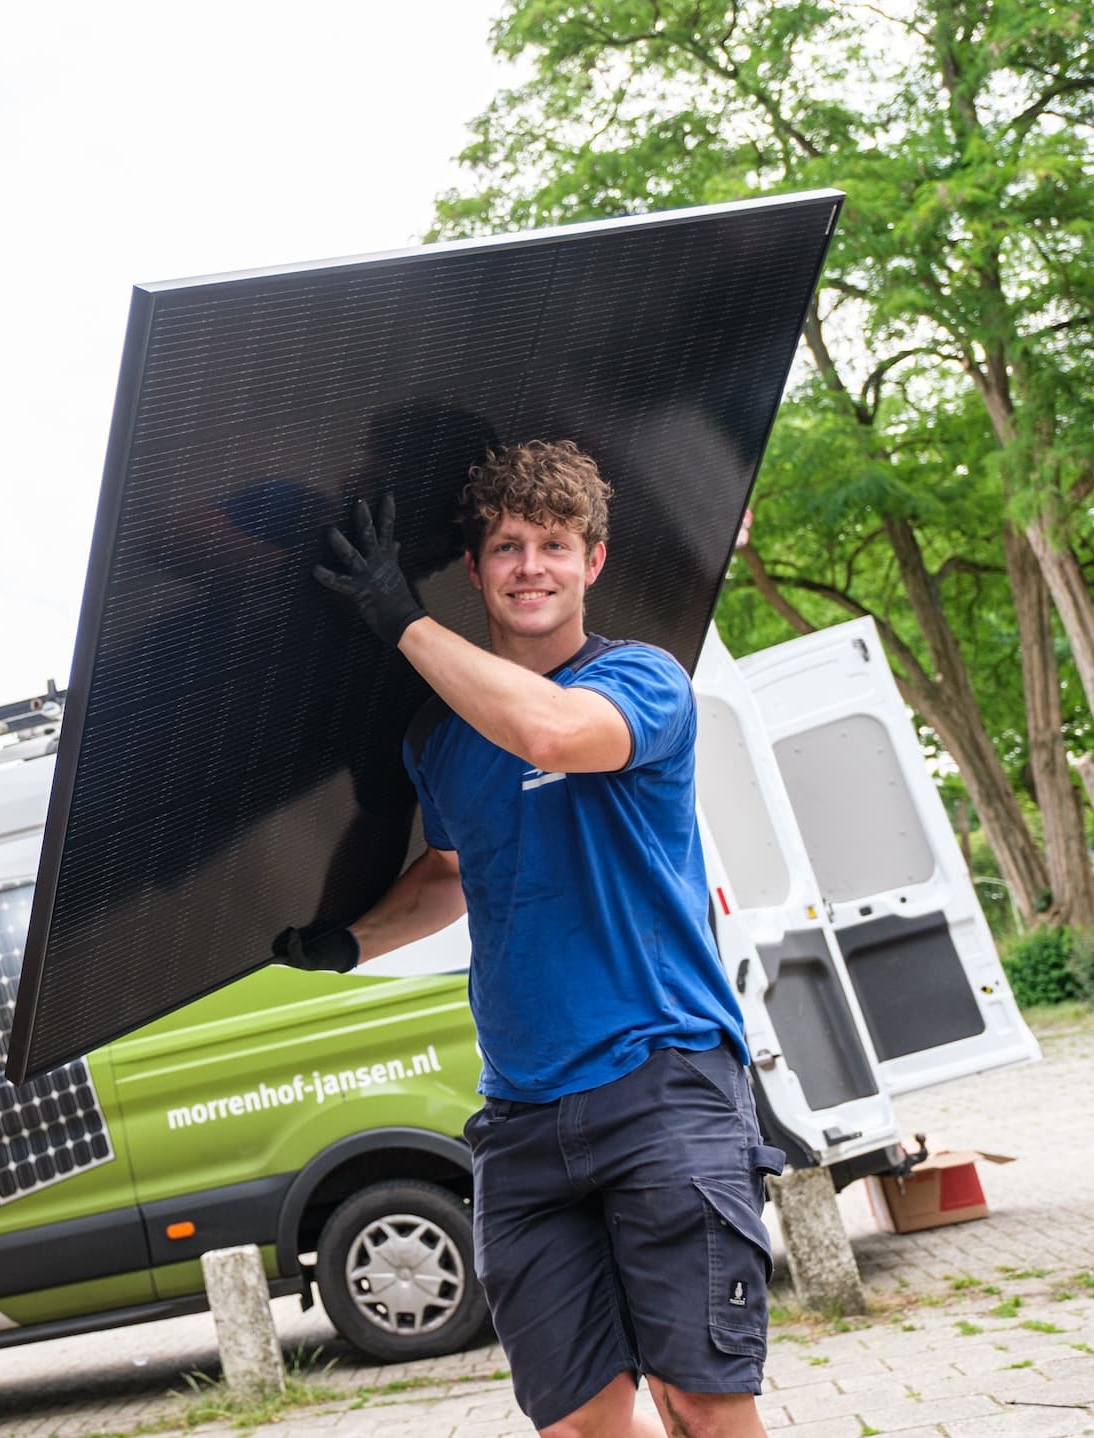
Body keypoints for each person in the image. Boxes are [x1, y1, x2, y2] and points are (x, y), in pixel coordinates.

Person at [276, 440, 781, 1438]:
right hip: (521, 1122)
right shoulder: (437, 740)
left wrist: (404, 622)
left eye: (555, 544)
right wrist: (346, 944)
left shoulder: (644, 682)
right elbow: (455, 873)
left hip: (662, 1087)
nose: (530, 567)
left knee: (702, 1402)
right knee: (581, 1423)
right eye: (506, 546)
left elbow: (553, 734)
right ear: (476, 569)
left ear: (594, 561)